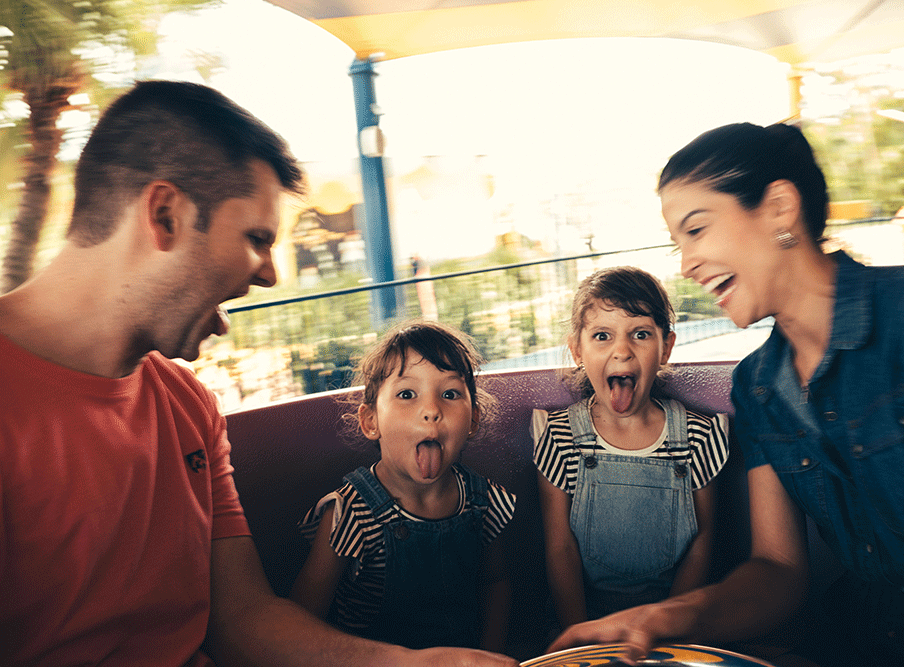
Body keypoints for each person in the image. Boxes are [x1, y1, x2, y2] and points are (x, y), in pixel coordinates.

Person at [0, 79, 518, 667]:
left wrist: (412, 663)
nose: (271, 274)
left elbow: (242, 616)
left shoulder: (188, 406)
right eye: (256, 239)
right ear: (165, 214)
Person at [545, 122, 904, 667]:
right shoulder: (757, 386)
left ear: (780, 208)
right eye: (678, 243)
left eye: (697, 230)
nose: (686, 264)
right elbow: (778, 571)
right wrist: (671, 616)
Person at [291, 320, 517, 652]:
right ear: (371, 421)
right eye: (407, 394)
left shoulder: (484, 502)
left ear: (473, 420)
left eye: (450, 394)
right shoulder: (349, 515)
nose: (431, 410)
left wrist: (491, 653)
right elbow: (304, 619)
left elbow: (496, 584)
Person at [532, 266, 729, 631]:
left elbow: (703, 543)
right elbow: (560, 550)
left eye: (640, 334)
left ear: (665, 347)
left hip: (672, 625)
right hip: (586, 624)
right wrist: (580, 634)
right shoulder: (559, 437)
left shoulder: (700, 437)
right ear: (577, 350)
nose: (622, 351)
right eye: (602, 336)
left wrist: (665, 626)